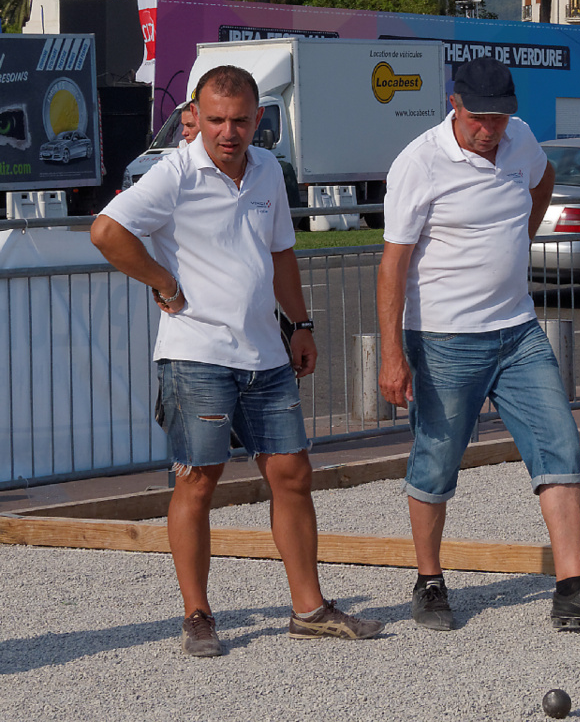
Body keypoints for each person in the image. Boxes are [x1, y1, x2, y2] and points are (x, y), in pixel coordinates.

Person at [91, 65, 383, 657]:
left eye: (242, 120)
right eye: (218, 119)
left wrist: (300, 325)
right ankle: (197, 614)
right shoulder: (172, 173)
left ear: (258, 120)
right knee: (199, 481)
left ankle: (308, 608)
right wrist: (162, 281)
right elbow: (105, 231)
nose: (230, 132)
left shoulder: (269, 170)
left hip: (265, 354)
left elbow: (280, 253)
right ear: (193, 116)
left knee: (292, 476)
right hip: (195, 355)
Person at [377, 57, 580, 632]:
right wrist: (392, 353)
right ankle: (429, 580)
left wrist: (522, 233)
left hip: (517, 328)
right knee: (437, 459)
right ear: (455, 104)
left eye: (499, 117)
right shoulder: (419, 164)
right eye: (479, 117)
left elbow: (542, 178)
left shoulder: (519, 139)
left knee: (560, 444)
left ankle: (572, 586)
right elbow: (392, 265)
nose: (490, 129)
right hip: (445, 336)